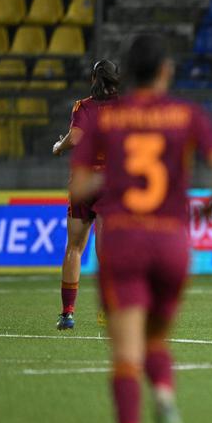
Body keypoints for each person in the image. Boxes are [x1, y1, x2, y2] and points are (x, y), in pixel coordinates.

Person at [70, 34, 212, 423]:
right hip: (171, 242)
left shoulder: (106, 119)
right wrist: (207, 205)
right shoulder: (188, 114)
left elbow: (80, 187)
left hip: (123, 240)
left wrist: (115, 184)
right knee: (156, 340)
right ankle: (163, 394)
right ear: (165, 71)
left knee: (126, 353)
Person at [52, 59, 120, 331]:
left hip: (83, 183)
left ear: (93, 77)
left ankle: (67, 314)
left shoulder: (84, 107)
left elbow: (76, 137)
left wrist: (59, 146)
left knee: (74, 248)